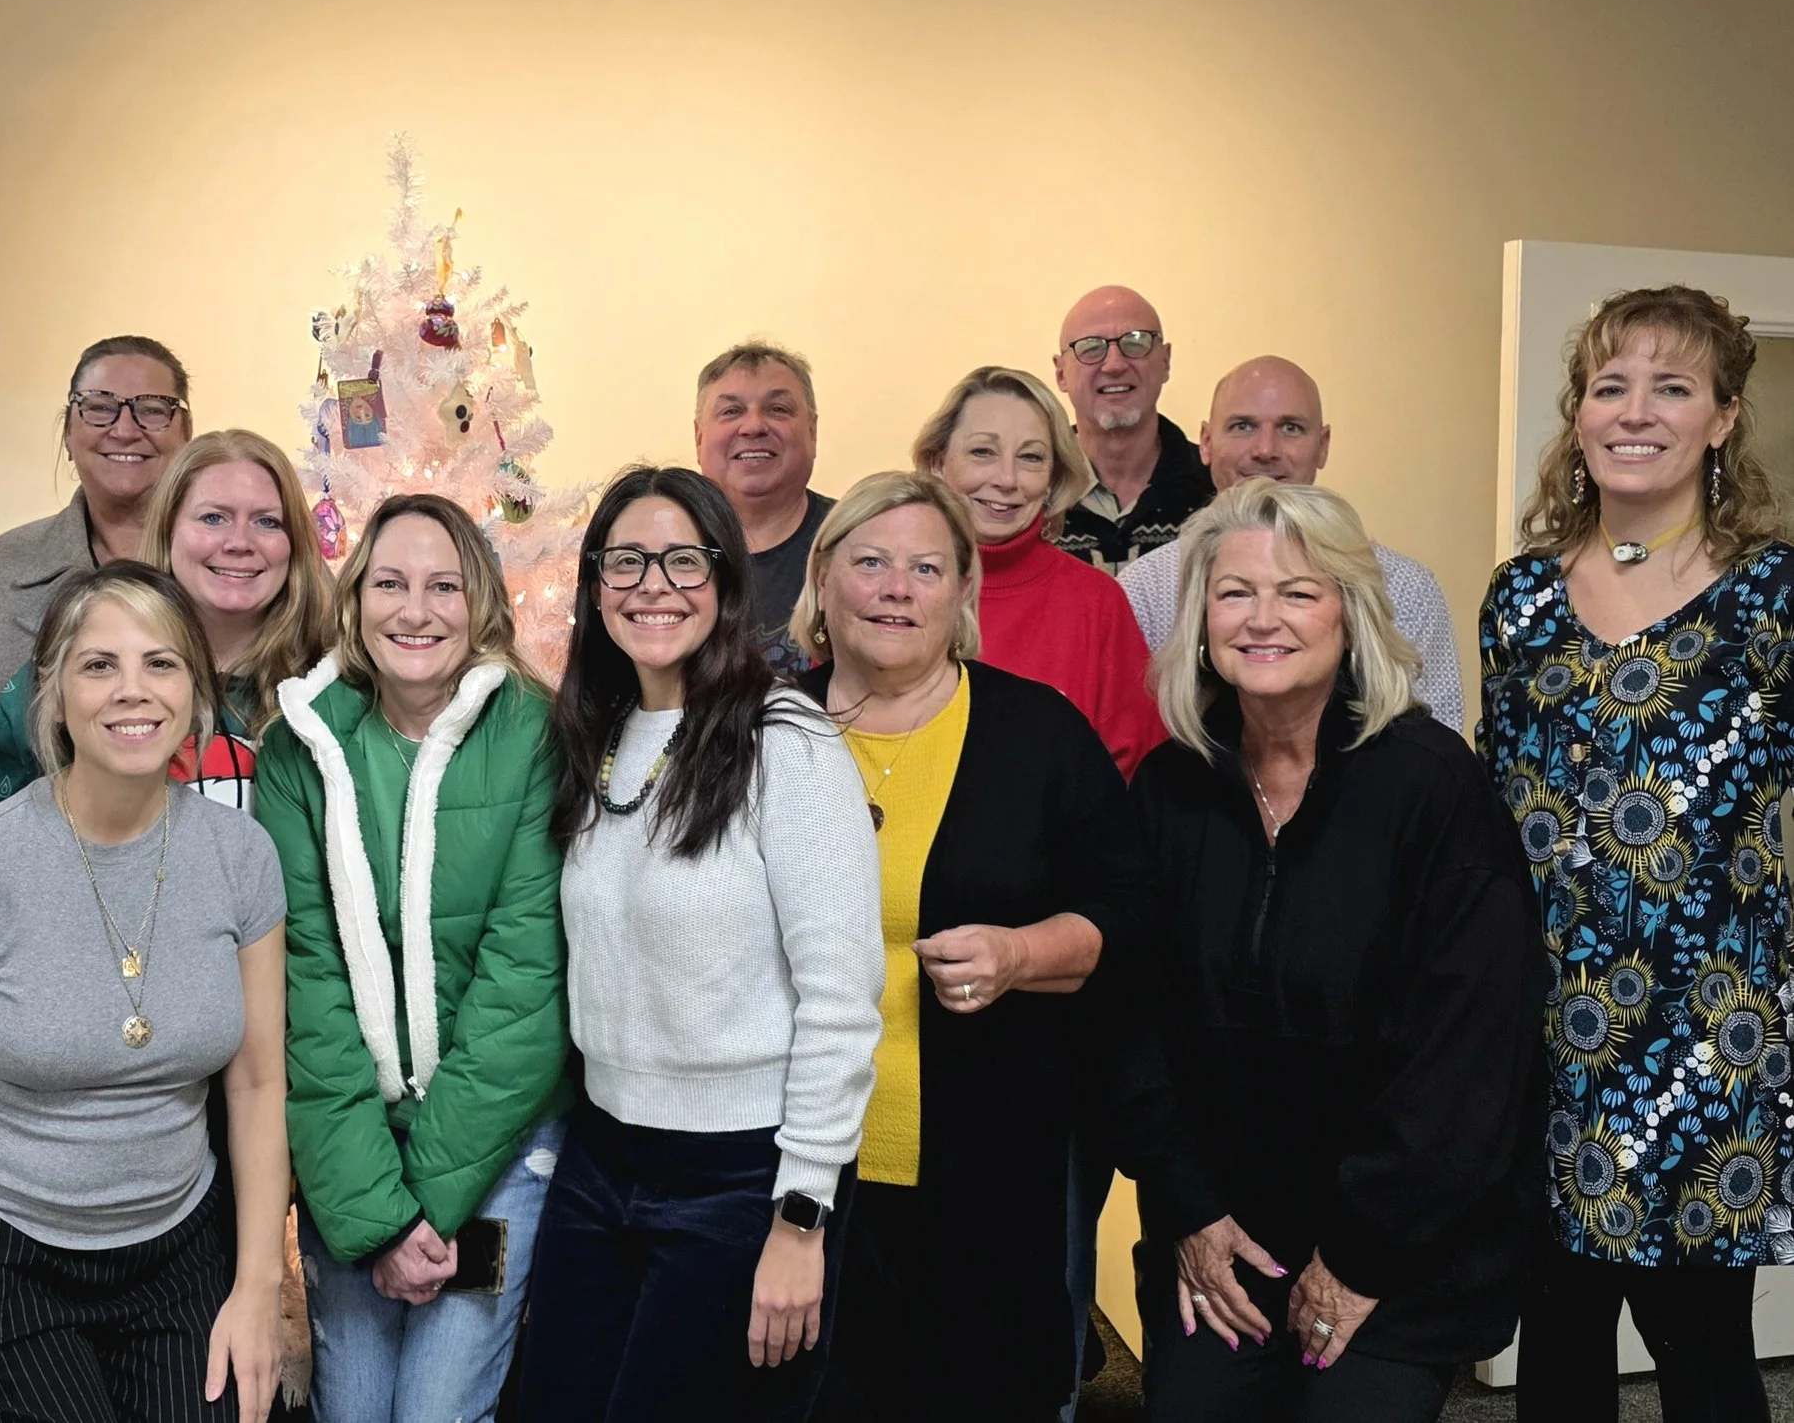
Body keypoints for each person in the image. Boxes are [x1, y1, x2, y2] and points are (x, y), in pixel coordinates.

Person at [1118, 478, 1539, 1423]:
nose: (1263, 619)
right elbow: (1127, 1018)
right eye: (1235, 594)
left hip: (1395, 1250)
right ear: (1199, 620)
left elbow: (1469, 1060)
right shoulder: (1171, 789)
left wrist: (1357, 1260)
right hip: (1217, 1241)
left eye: (1298, 593)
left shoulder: (1433, 788)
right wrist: (1188, 1210)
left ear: (1349, 615)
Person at [0, 563, 287, 1423]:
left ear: (196, 690)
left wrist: (259, 1286)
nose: (134, 691)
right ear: (49, 694)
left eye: (162, 664)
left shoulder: (241, 856)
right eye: (99, 665)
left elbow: (258, 1081)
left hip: (175, 1247)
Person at [1479, 285, 1793, 1423]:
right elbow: (1494, 811)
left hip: (1707, 1039)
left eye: (1672, 386)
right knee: (1557, 1340)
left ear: (1720, 420)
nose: (1635, 410)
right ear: (1577, 417)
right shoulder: (1520, 602)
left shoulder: (1771, 598)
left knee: (1702, 1352)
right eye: (1609, 386)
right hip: (1547, 1030)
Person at [522, 466, 883, 1423]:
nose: (653, 585)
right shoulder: (590, 734)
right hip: (602, 1158)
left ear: (726, 584)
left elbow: (843, 1000)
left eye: (684, 560)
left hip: (742, 1173)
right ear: (595, 587)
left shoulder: (787, 741)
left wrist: (801, 1217)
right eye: (626, 561)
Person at [786, 474, 1147, 1422]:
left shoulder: (1037, 734)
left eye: (924, 567)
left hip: (989, 1168)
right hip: (794, 1176)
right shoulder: (760, 731)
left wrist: (1022, 956)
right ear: (824, 581)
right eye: (869, 562)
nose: (895, 587)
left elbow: (1128, 911)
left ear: (962, 595)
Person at [254, 494, 568, 1423]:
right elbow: (305, 992)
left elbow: (525, 988)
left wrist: (430, 1205)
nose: (416, 611)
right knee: (351, 1411)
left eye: (445, 587)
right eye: (390, 583)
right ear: (354, 603)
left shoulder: (536, 735)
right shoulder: (299, 749)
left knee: (435, 1411)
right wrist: (378, 1218)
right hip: (351, 1150)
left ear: (483, 605)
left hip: (495, 1144)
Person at [0, 427, 336, 831]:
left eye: (267, 522)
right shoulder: (85, 660)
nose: (239, 542)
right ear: (168, 528)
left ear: (294, 542)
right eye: (213, 517)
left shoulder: (331, 680)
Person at [1117, 357, 1465, 731]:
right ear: (1205, 442)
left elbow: (1437, 744)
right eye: (1242, 426)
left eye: (1290, 428)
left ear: (1323, 445)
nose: (1266, 449)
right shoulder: (1144, 589)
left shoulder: (1406, 587)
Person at [912, 365, 1165, 779]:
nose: (1007, 479)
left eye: (1030, 457)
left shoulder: (1095, 602)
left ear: (1052, 479)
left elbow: (1140, 774)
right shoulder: (886, 585)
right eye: (983, 452)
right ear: (939, 463)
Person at [0, 335, 194, 710]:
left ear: (186, 435)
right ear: (68, 435)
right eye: (99, 407)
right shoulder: (8, 565)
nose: (124, 431)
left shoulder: (241, 559)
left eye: (154, 410)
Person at [1049, 286, 1212, 574]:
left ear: (1165, 361)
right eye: (1091, 347)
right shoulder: (1031, 493)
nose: (1114, 364)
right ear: (1061, 373)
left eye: (1135, 342)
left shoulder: (1215, 488)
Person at [695, 343, 836, 674]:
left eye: (778, 409)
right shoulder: (663, 551)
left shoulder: (855, 541)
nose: (754, 426)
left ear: (812, 432)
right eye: (731, 411)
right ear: (699, 437)